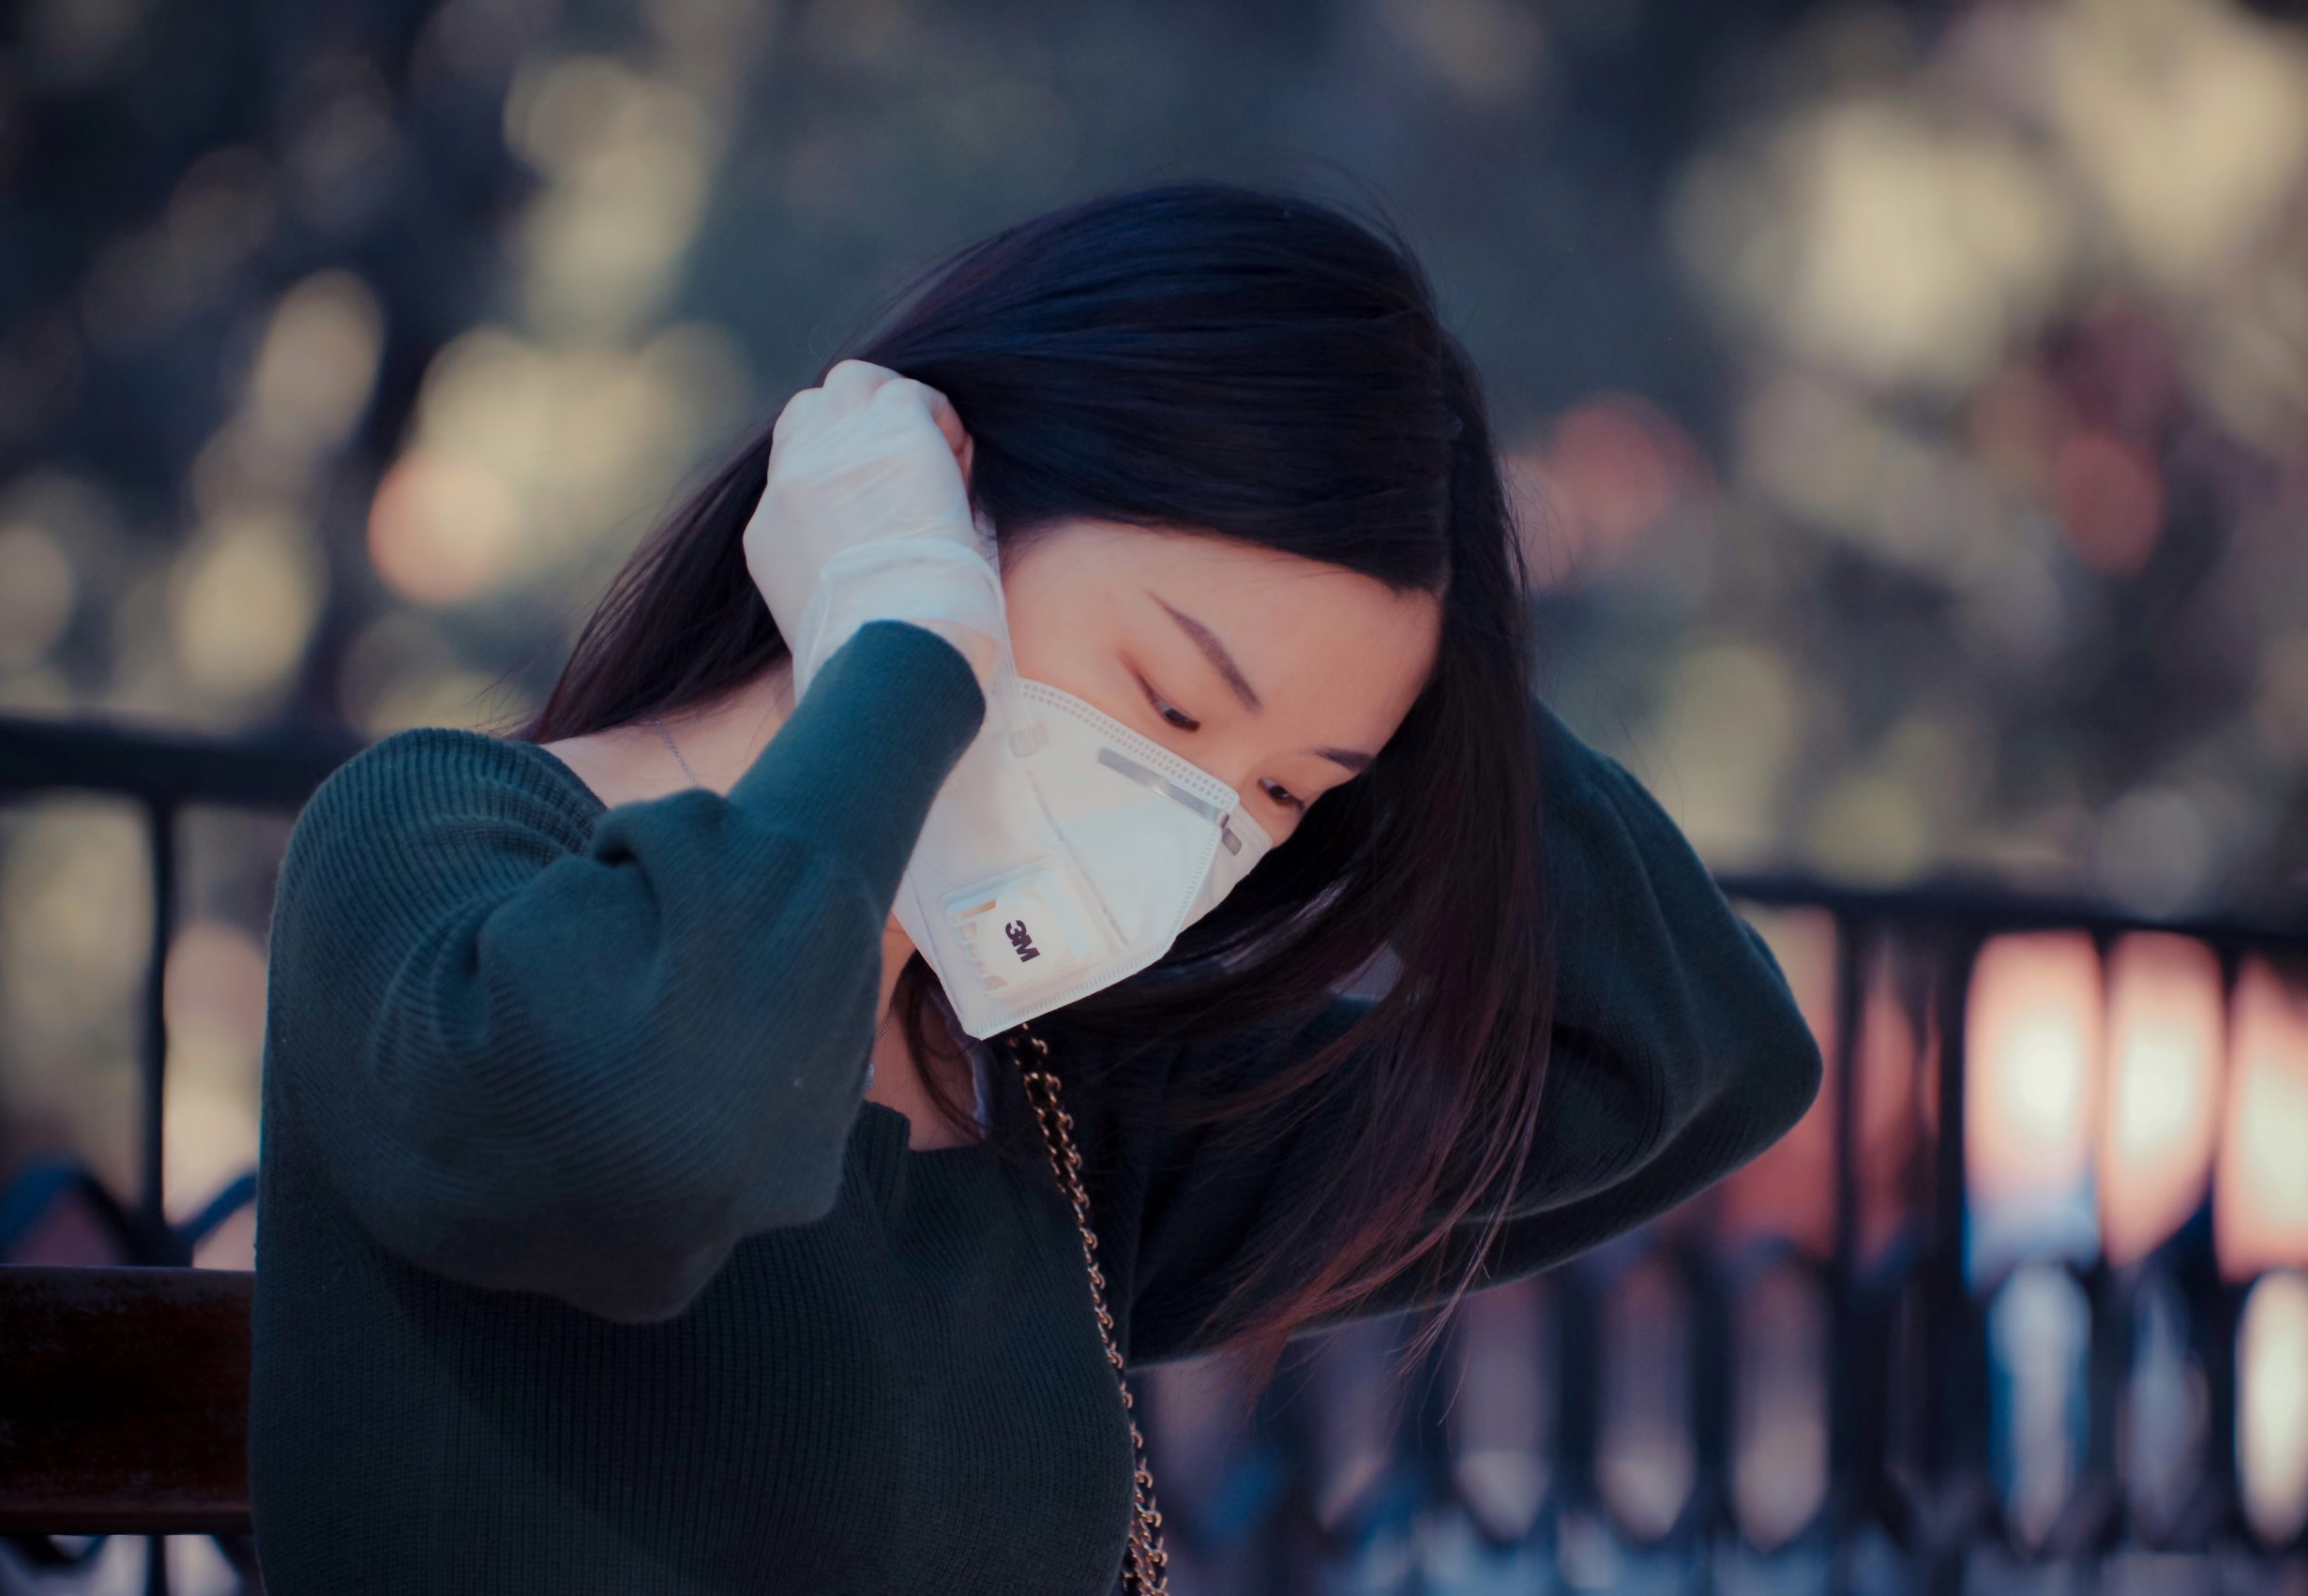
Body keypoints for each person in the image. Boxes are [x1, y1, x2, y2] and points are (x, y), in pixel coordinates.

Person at [247, 178, 1823, 1594]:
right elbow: (648, 1144)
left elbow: (1692, 1058)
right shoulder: (434, 851)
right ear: (949, 505)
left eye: (1282, 792)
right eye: (1170, 698)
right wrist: (896, 654)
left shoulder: (1051, 1096)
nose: (1198, 812)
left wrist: (1420, 699)